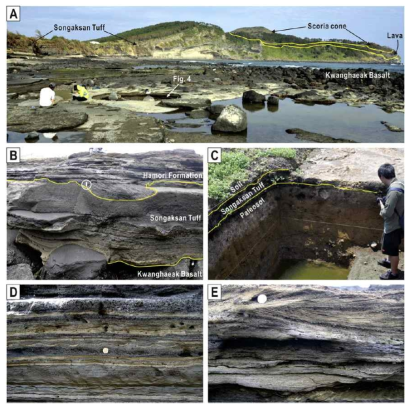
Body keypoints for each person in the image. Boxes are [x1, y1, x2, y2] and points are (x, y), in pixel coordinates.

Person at [377, 163, 404, 280]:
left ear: (382, 176)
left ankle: (393, 273)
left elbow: (387, 213)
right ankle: (388, 261)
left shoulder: (393, 191)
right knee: (391, 246)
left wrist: (381, 205)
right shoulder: (401, 183)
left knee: (393, 250)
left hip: (394, 225)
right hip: (400, 221)